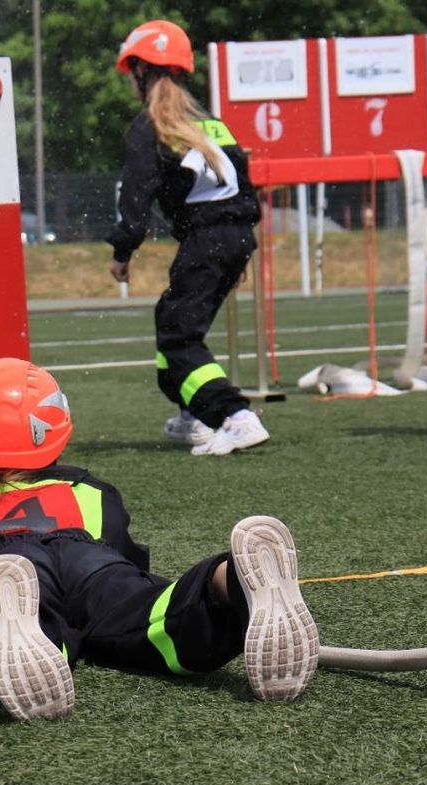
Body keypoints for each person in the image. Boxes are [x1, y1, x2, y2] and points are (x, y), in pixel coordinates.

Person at [0, 357, 319, 720]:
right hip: (85, 557)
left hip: (8, 566)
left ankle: (15, 624)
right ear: (57, 428)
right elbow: (123, 559)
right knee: (148, 613)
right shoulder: (90, 491)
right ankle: (227, 580)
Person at [107, 19, 268, 457]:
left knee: (179, 338)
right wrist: (239, 251)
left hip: (206, 241)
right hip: (235, 237)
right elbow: (243, 188)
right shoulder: (210, 123)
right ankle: (190, 412)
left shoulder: (150, 127)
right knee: (173, 319)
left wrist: (123, 251)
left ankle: (234, 416)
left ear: (140, 70)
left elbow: (135, 201)